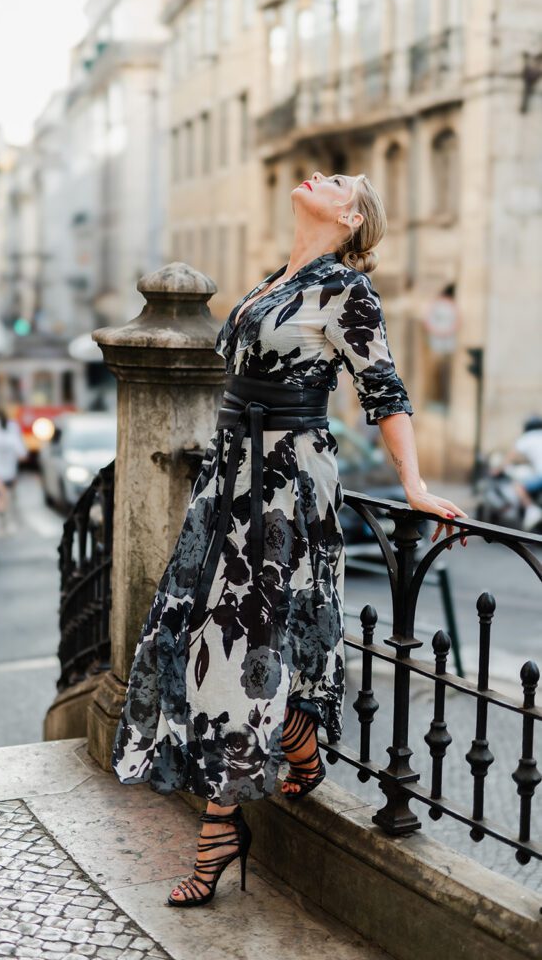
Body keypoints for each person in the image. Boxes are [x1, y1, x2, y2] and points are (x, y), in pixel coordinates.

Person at [110, 169, 469, 908]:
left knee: (245, 641)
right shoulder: (278, 278)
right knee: (198, 628)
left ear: (349, 214)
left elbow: (384, 392)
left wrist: (413, 487)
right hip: (229, 478)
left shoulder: (347, 291)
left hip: (283, 485)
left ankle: (220, 829)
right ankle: (297, 751)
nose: (320, 174)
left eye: (339, 179)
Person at [492, 415, 542, 531]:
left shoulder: (527, 438)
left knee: (518, 486)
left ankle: (531, 510)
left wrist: (497, 470)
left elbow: (511, 456)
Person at [0, 412, 27, 517]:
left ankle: (2, 513)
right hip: (10, 472)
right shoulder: (13, 438)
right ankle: (8, 514)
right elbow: (22, 455)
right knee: (8, 494)